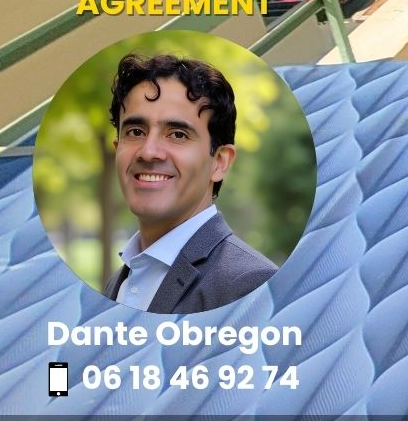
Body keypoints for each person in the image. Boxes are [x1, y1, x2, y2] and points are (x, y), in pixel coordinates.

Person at [101, 53, 277, 312]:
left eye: (178, 134)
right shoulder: (119, 282)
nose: (148, 152)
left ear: (219, 162)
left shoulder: (249, 284)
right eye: (135, 132)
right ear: (117, 149)